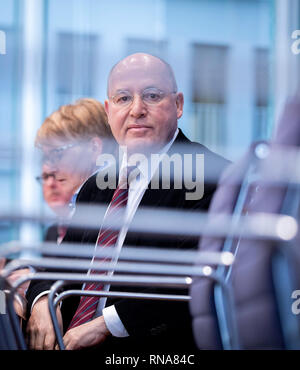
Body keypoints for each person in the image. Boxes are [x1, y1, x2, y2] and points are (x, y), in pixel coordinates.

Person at [25, 53, 230, 351]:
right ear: (109, 111)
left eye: (152, 96)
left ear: (179, 105)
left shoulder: (211, 176)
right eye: (123, 98)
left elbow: (193, 282)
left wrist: (106, 324)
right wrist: (43, 302)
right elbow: (55, 266)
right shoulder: (96, 187)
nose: (136, 110)